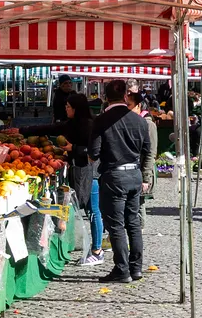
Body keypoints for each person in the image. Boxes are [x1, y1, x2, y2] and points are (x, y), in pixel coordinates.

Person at [89, 79, 153, 283]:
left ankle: (122, 269)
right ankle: (136, 268)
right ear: (126, 96)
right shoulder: (140, 120)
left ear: (106, 97)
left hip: (113, 176)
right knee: (133, 222)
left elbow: (94, 153)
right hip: (134, 174)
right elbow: (147, 150)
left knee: (116, 225)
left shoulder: (101, 120)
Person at [29, 93, 101, 264]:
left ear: (76, 108)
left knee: (93, 211)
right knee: (89, 210)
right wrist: (23, 130)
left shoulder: (90, 126)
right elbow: (50, 128)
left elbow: (94, 151)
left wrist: (73, 148)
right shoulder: (72, 124)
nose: (66, 108)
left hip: (91, 173)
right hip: (78, 171)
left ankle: (97, 250)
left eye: (68, 106)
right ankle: (94, 248)